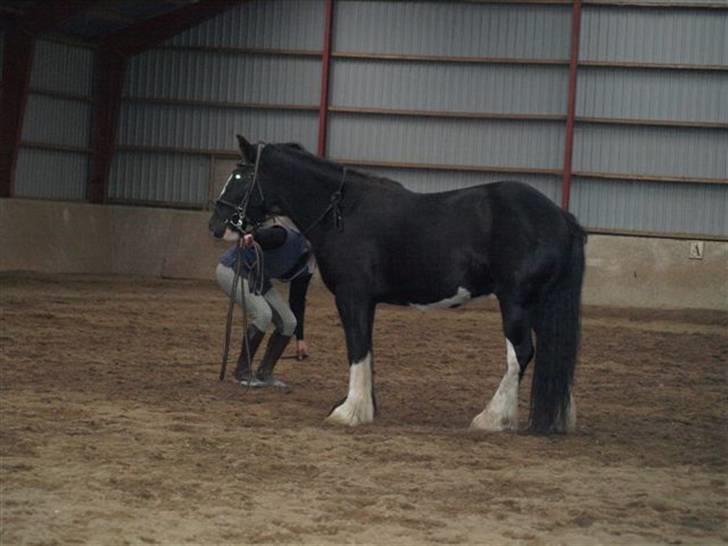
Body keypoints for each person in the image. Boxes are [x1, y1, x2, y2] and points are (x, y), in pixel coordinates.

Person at [216, 216, 314, 388]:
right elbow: (263, 235)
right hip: (234, 269)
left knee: (289, 322)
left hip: (258, 278)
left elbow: (297, 299)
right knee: (263, 315)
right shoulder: (286, 236)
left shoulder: (309, 264)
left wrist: (300, 338)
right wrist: (249, 235)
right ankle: (241, 372)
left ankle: (265, 372)